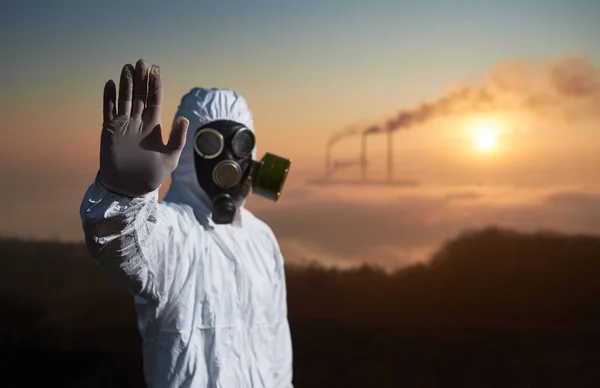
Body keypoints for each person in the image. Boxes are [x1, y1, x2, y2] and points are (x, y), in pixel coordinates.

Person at [80, 59, 294, 388]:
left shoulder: (262, 239)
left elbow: (277, 345)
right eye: (209, 144)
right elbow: (124, 244)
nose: (229, 159)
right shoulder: (173, 233)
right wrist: (124, 194)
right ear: (187, 153)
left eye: (241, 144)